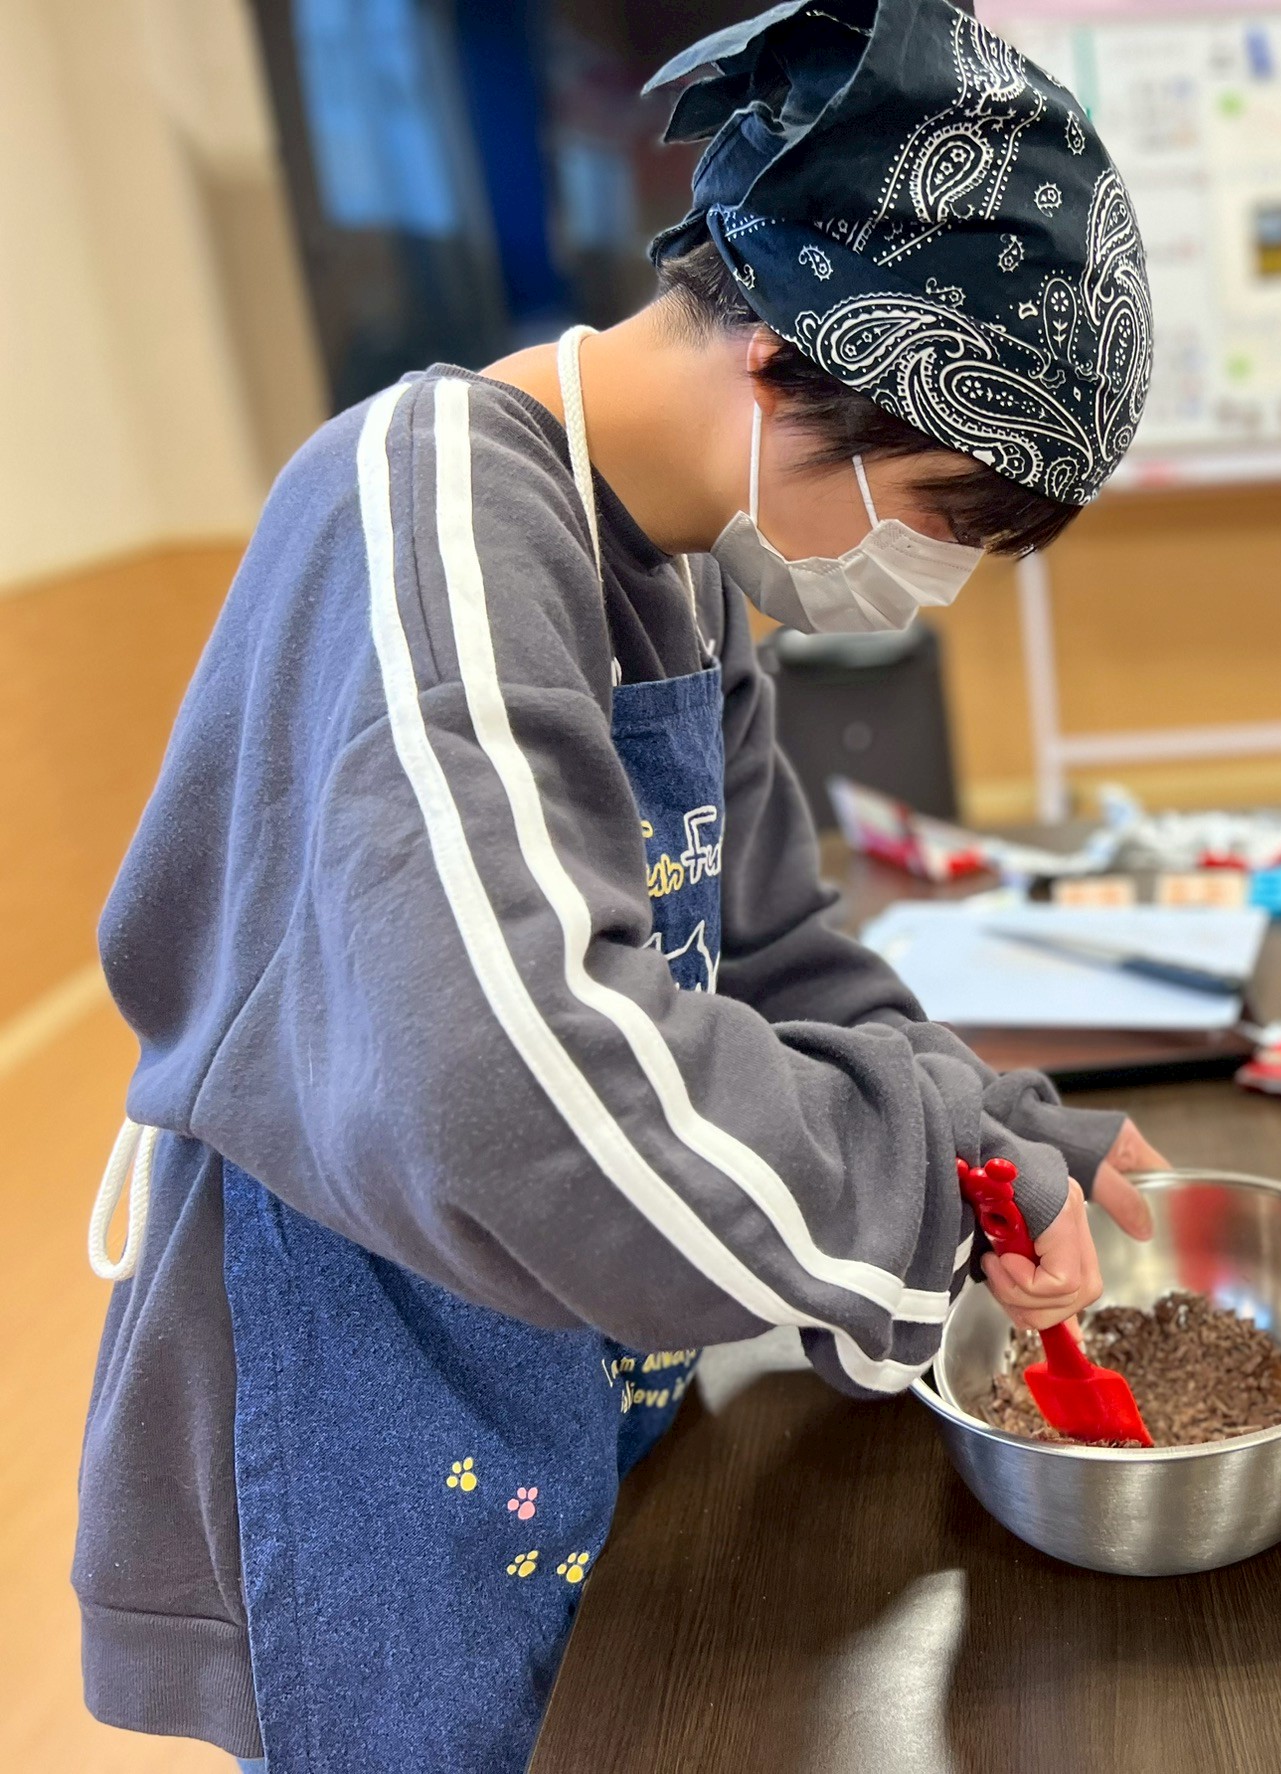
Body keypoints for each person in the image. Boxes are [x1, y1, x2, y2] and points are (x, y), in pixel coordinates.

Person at [74, 2, 1155, 1768]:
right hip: (377, 1374)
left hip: (573, 1342)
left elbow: (775, 952)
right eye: (941, 512)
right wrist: (922, 1196)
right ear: (782, 366)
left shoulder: (682, 566)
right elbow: (516, 1082)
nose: (934, 575)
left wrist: (989, 1131)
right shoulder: (428, 502)